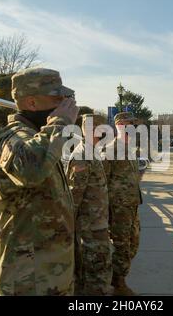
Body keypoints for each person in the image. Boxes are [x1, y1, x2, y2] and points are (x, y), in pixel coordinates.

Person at [0, 67, 79, 296]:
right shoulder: (12, 137)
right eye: (57, 98)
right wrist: (59, 123)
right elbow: (31, 169)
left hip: (52, 272)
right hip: (28, 277)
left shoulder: (40, 136)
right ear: (32, 103)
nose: (65, 104)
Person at [66, 114, 113, 295]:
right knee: (95, 276)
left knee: (100, 271)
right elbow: (74, 196)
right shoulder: (82, 156)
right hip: (89, 229)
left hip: (97, 224)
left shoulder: (93, 152)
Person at [102, 112, 142, 296]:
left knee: (133, 244)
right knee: (121, 246)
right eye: (127, 125)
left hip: (131, 206)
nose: (131, 129)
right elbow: (102, 181)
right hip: (117, 208)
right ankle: (118, 284)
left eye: (133, 125)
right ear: (118, 126)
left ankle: (117, 279)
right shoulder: (110, 149)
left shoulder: (130, 149)